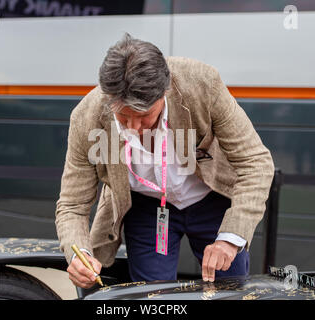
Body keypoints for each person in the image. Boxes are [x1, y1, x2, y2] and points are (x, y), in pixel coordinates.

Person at [55, 33, 274, 289]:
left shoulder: (202, 84)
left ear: (165, 91)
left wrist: (230, 237)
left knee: (230, 288)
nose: (135, 127)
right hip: (146, 207)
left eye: (145, 115)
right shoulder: (86, 118)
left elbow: (256, 162)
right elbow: (72, 204)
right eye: (124, 117)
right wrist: (78, 254)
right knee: (153, 294)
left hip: (211, 199)